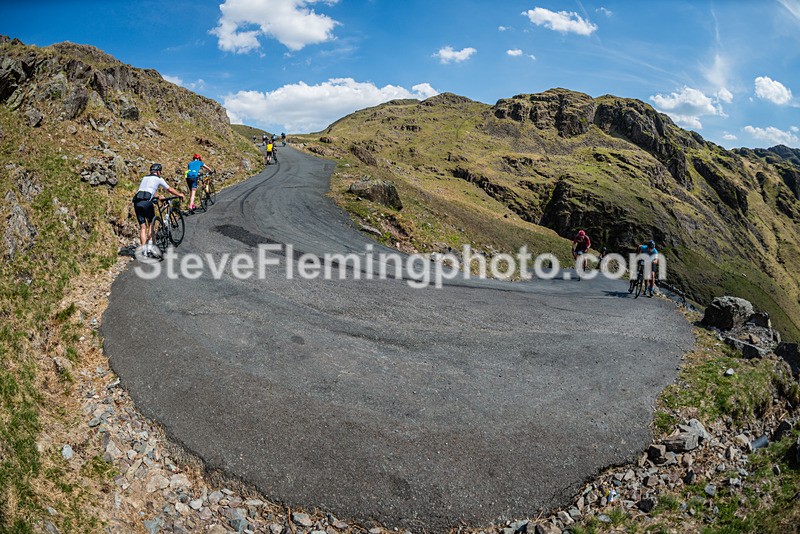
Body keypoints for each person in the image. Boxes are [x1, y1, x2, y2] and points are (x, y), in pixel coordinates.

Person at [132, 163, 184, 257]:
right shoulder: (159, 179)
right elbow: (169, 189)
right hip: (147, 202)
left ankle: (144, 251)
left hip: (137, 202)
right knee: (151, 224)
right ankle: (149, 247)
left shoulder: (145, 178)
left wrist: (158, 196)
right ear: (158, 172)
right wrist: (179, 194)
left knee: (143, 227)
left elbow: (150, 189)